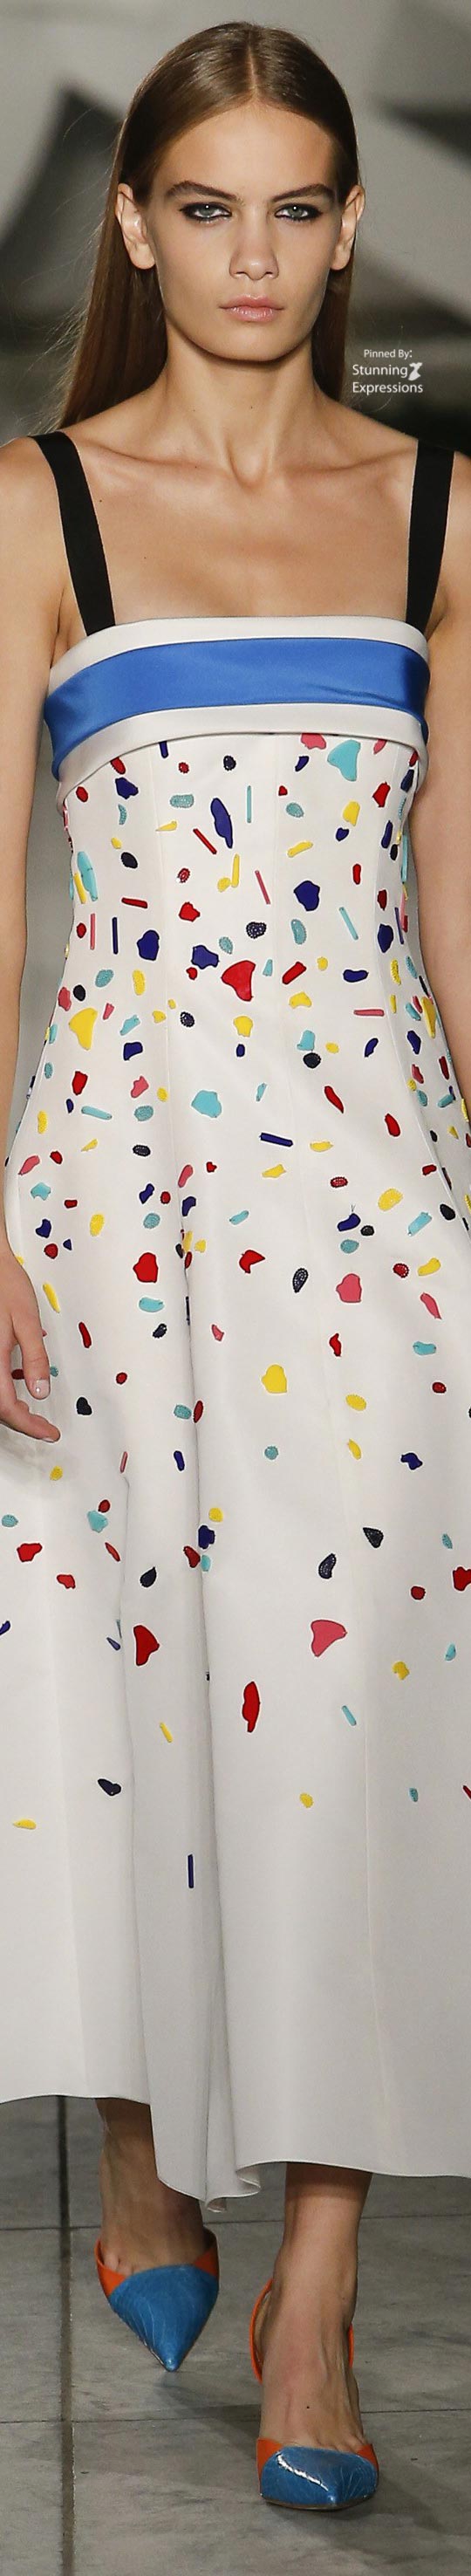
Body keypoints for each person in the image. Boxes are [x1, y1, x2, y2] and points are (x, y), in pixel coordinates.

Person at [0, 16, 470, 2517]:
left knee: (361, 1728)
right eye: (209, 207)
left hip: (372, 1208)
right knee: (125, 1708)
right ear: (135, 224)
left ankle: (314, 2299)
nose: (256, 255)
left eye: (298, 208)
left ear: (346, 226)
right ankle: (138, 2170)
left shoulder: (439, 511)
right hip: (114, 1202)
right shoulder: (40, 506)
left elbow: (461, 918)